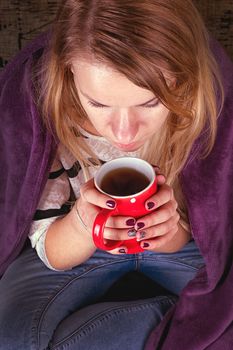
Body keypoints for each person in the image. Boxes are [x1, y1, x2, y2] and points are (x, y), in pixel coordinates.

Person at [0, 0, 233, 349]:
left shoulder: (213, 100)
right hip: (75, 248)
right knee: (12, 338)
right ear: (69, 73)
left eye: (151, 102)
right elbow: (51, 250)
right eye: (98, 104)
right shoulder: (40, 108)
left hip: (186, 252)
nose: (124, 134)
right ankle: (175, 320)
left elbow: (210, 233)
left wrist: (170, 231)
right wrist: (82, 223)